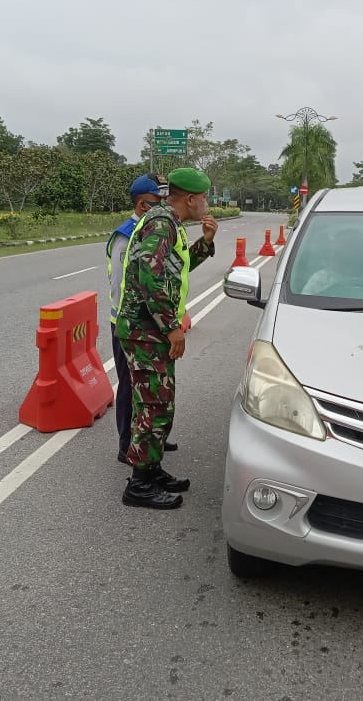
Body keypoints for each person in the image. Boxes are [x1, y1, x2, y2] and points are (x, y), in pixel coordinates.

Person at [114, 167, 217, 509]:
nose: (207, 203)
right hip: (147, 329)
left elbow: (174, 271)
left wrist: (206, 243)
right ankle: (139, 485)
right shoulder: (162, 224)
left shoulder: (168, 222)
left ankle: (151, 468)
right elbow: (151, 278)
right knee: (154, 406)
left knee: (158, 404)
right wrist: (172, 326)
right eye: (204, 197)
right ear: (190, 198)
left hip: (150, 328)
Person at [105, 173, 164, 465]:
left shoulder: (149, 232)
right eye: (157, 203)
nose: (162, 209)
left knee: (147, 387)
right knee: (129, 386)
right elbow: (120, 285)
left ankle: (148, 437)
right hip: (127, 324)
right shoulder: (125, 235)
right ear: (142, 205)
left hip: (147, 326)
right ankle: (126, 445)